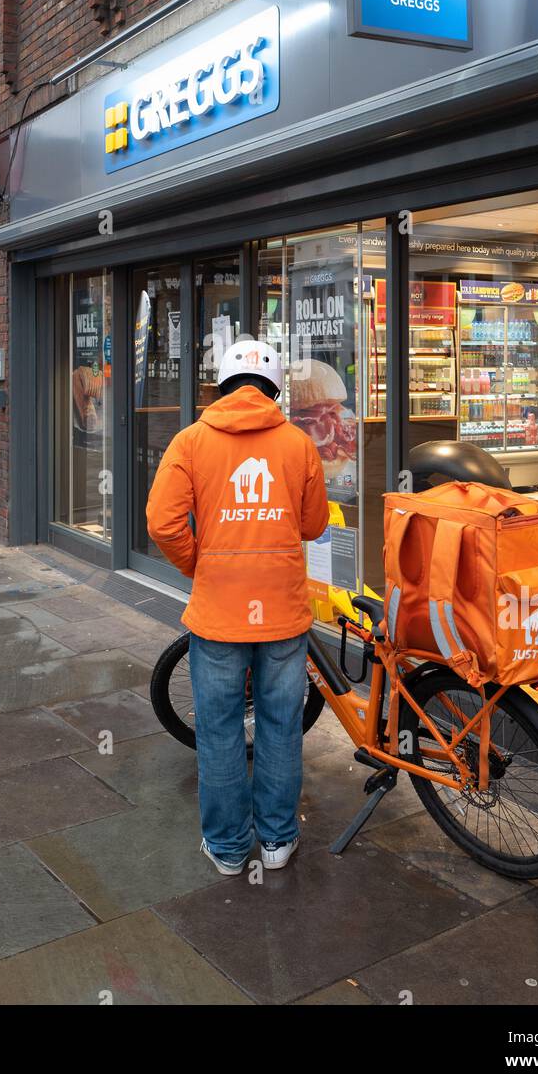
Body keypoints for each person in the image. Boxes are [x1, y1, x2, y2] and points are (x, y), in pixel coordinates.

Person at [146, 340, 329, 875]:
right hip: (282, 611)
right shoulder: (298, 445)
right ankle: (276, 842)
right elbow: (313, 525)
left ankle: (227, 849)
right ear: (274, 388)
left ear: (221, 385)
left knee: (221, 728)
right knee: (280, 724)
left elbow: (162, 523)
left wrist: (198, 563)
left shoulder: (190, 441)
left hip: (219, 611)